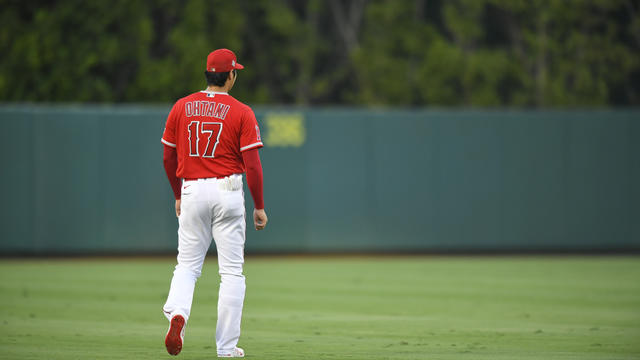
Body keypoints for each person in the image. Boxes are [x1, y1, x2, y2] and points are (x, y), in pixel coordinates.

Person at [160, 48, 268, 358]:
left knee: (188, 266)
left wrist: (178, 194)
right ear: (230, 75)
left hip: (193, 189)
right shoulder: (241, 111)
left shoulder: (181, 107)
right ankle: (226, 347)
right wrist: (259, 205)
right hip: (228, 190)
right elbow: (254, 165)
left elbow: (168, 156)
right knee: (231, 273)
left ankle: (178, 313)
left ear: (208, 74)